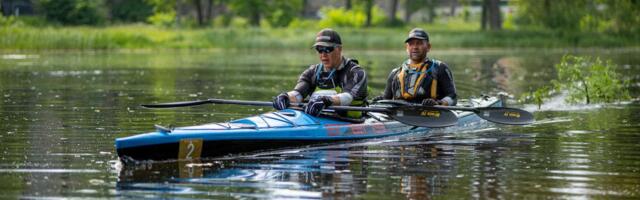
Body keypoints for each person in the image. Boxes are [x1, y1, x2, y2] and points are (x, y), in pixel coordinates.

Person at [272, 28, 368, 118]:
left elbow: (347, 98)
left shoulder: (356, 73)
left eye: (328, 49)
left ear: (339, 49)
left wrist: (327, 100)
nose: (323, 55)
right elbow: (298, 94)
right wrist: (286, 97)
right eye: (319, 49)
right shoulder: (312, 72)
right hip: (318, 120)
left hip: (350, 121)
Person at [373, 28, 457, 106]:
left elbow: (453, 97)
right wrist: (380, 100)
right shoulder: (395, 73)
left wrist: (439, 103)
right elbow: (386, 99)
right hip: (400, 116)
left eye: (419, 43)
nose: (415, 47)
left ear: (428, 47)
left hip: (432, 115)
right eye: (411, 44)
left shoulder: (440, 68)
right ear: (407, 47)